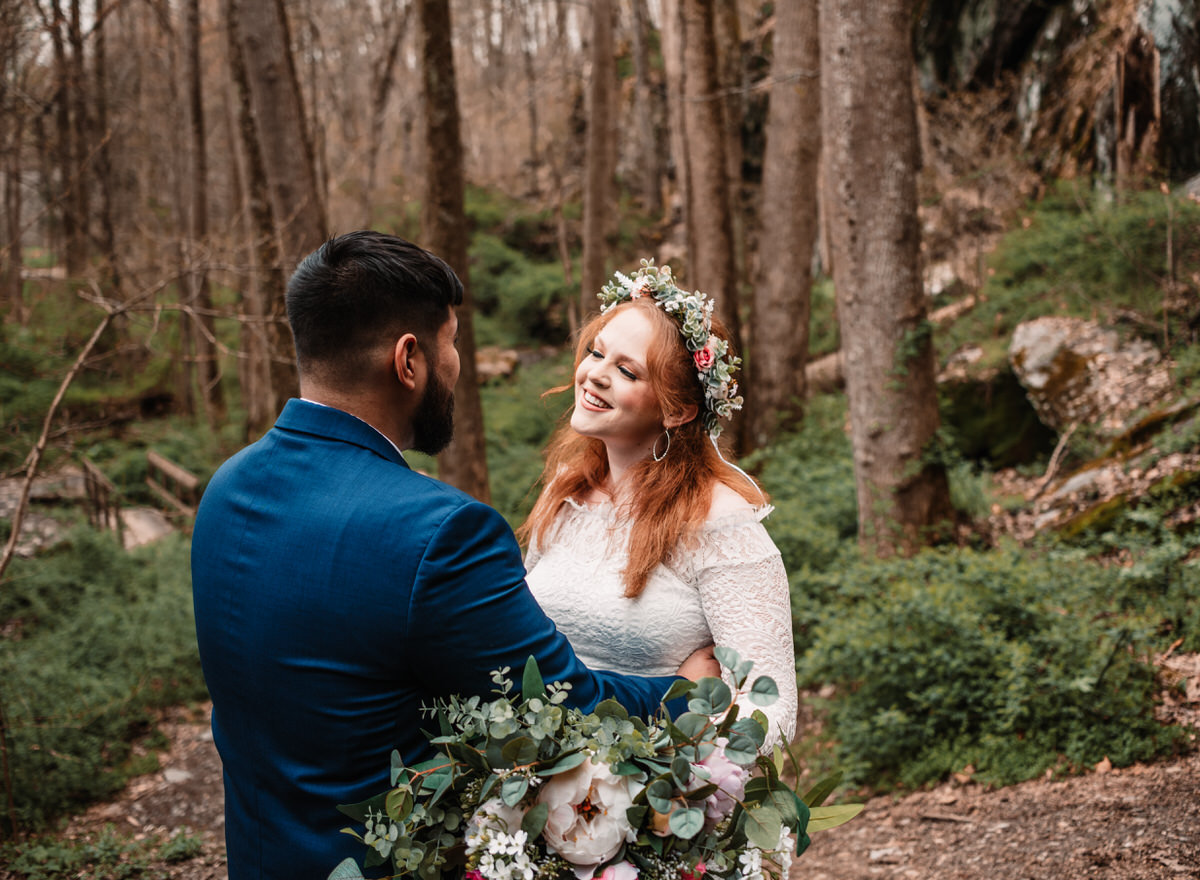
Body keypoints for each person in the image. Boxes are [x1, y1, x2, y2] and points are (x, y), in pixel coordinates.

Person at [190, 233, 716, 880]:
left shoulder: (227, 490)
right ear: (409, 360)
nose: (458, 366)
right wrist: (687, 694)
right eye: (453, 343)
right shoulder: (438, 533)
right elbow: (561, 708)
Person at [519, 262, 798, 748]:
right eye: (596, 352)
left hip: (662, 799)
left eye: (626, 370)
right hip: (542, 779)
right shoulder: (565, 492)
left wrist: (661, 758)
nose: (596, 375)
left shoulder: (720, 523)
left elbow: (770, 711)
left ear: (677, 409)